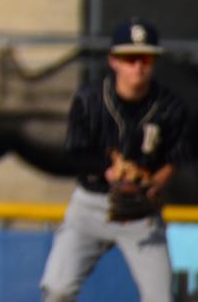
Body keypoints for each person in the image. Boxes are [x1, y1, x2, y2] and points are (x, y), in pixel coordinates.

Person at [39, 17, 191, 302]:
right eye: (130, 58)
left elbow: (177, 155)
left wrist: (155, 185)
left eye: (145, 58)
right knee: (57, 291)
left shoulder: (171, 107)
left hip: (141, 215)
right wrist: (108, 170)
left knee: (161, 299)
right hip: (90, 207)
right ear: (114, 60)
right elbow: (75, 151)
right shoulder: (89, 100)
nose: (138, 66)